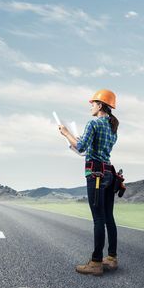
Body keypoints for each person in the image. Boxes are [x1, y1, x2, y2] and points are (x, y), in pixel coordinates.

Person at [58, 89, 120, 276]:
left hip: (96, 174)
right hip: (109, 173)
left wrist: (66, 133)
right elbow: (93, 146)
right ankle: (111, 257)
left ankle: (95, 263)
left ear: (100, 105)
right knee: (108, 216)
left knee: (98, 219)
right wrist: (79, 140)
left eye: (93, 103)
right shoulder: (112, 127)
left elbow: (82, 147)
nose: (91, 106)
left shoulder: (93, 123)